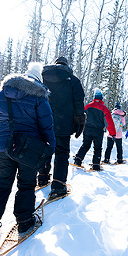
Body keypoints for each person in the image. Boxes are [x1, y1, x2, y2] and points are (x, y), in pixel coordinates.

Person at [0, 63, 55, 241]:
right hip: (29, 148)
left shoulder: (2, 94)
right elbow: (46, 126)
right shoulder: (39, 97)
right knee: (26, 185)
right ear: (38, 80)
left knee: (0, 185)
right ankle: (25, 220)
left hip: (2, 147)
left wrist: (1, 142)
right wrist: (51, 146)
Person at [39, 56, 85, 200]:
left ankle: (42, 177)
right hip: (64, 123)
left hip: (44, 121)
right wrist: (80, 121)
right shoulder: (73, 80)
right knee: (62, 152)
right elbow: (79, 102)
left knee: (45, 149)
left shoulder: (43, 78)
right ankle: (58, 186)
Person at [73, 89, 116, 171]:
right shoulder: (104, 108)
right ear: (101, 98)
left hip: (87, 128)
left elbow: (81, 115)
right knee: (97, 147)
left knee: (85, 145)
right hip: (98, 130)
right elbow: (109, 122)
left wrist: (77, 126)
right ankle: (96, 165)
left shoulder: (87, 106)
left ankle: (78, 159)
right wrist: (113, 133)